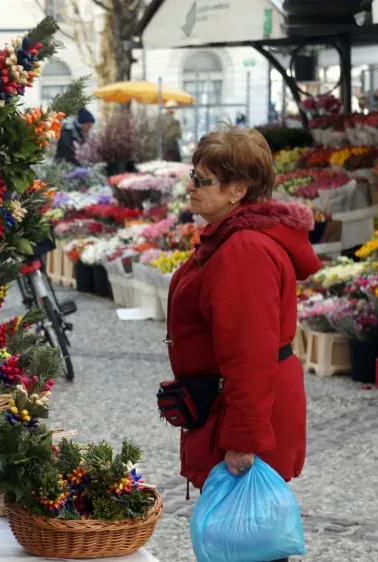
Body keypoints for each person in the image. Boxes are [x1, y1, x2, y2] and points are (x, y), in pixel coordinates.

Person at [164, 126, 320, 562]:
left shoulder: (244, 251)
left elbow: (249, 356)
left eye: (202, 179)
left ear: (237, 190)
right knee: (243, 543)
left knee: (250, 545)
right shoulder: (231, 238)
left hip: (245, 414)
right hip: (233, 406)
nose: (190, 187)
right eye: (192, 174)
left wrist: (243, 439)